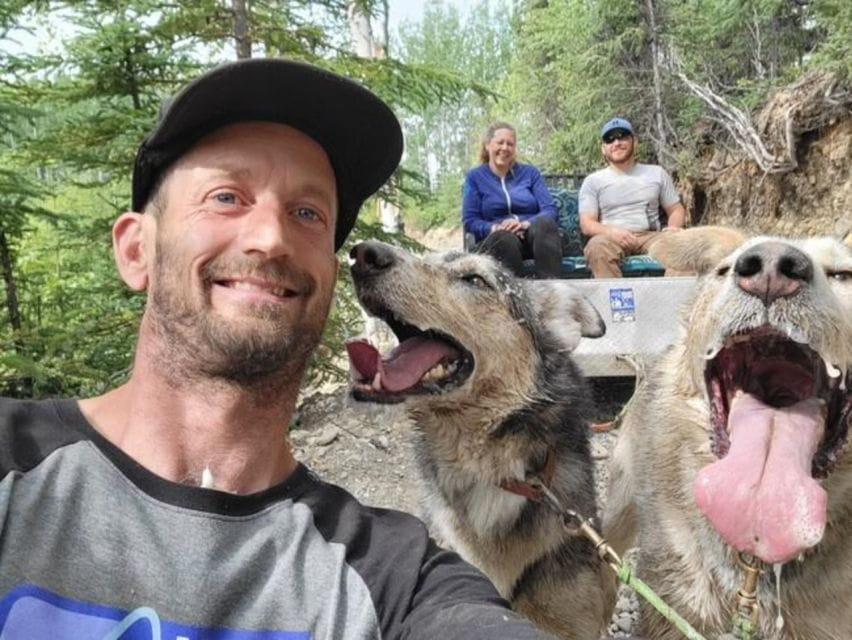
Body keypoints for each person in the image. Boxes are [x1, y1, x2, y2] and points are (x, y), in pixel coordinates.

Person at [0, 59, 560, 639]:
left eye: (307, 213)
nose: (271, 238)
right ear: (137, 249)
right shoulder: (14, 467)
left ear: (328, 274)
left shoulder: (395, 580)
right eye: (226, 196)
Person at [579, 117, 687, 278]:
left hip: (651, 236)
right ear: (603, 148)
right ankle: (614, 295)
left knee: (684, 248)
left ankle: (671, 294)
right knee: (596, 248)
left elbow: (676, 209)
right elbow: (587, 224)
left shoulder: (657, 173)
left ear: (634, 142)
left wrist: (673, 227)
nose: (616, 143)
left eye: (622, 136)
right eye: (610, 139)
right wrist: (612, 232)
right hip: (610, 238)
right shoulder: (593, 181)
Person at [462, 122, 562, 278]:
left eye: (510, 144)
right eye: (500, 142)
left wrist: (524, 224)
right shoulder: (474, 177)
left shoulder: (530, 173)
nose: (505, 148)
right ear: (488, 145)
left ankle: (551, 287)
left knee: (545, 223)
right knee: (503, 238)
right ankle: (515, 292)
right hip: (498, 242)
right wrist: (495, 228)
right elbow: (470, 221)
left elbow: (549, 209)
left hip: (532, 239)